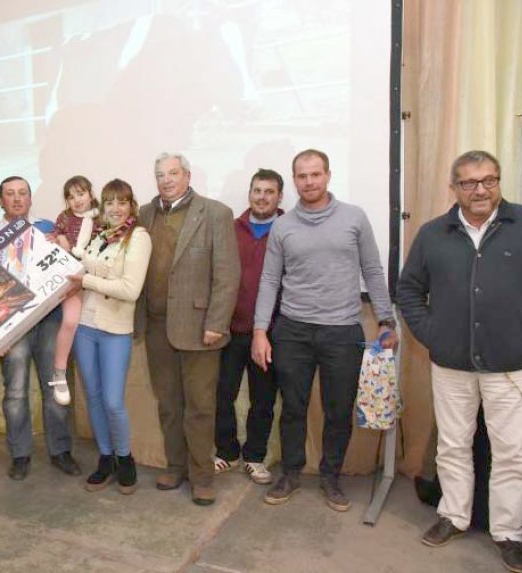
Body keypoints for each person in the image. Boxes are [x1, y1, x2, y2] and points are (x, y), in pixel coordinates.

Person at [397, 150, 522, 572]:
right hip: (451, 364)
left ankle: (508, 532)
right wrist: (433, 334)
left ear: (499, 182)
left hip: (511, 364)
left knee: (513, 453)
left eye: (489, 180)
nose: (480, 190)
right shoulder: (434, 234)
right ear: (453, 188)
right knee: (453, 445)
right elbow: (409, 291)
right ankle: (453, 515)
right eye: (469, 183)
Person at [252, 149, 396, 512]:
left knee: (337, 410)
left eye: (316, 174)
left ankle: (331, 476)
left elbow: (373, 271)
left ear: (328, 176)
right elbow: (270, 280)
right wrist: (259, 331)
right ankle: (291, 473)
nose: (309, 182)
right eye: (302, 176)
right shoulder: (283, 226)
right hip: (292, 331)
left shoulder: (354, 218)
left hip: (342, 331)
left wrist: (386, 319)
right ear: (294, 180)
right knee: (293, 409)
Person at [135, 152, 240, 506]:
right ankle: (175, 466)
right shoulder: (145, 215)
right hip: (156, 327)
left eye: (173, 173)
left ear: (188, 175)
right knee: (168, 404)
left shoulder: (215, 213)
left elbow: (227, 275)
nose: (166, 180)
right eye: (160, 174)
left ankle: (202, 476)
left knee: (199, 407)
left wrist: (216, 323)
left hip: (199, 329)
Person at [0, 176, 80, 481]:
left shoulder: (48, 229)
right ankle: (20, 454)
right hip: (12, 327)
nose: (17, 199)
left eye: (23, 193)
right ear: (1, 200)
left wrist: (60, 246)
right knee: (16, 392)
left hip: (50, 321)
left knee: (55, 386)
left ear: (31, 199)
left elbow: (71, 267)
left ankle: (60, 451)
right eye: (10, 194)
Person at [68, 179, 151, 494]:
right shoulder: (98, 234)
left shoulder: (138, 238)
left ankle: (124, 457)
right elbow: (82, 265)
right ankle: (106, 457)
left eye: (122, 202)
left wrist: (87, 279)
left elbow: (130, 290)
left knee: (113, 401)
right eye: (109, 203)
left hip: (115, 329)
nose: (115, 209)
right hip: (85, 326)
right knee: (93, 396)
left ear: (131, 206)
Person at [213, 169, 284, 485]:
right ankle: (226, 452)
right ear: (249, 194)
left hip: (269, 334)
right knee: (222, 394)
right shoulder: (231, 229)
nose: (262, 197)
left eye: (270, 192)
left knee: (263, 400)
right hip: (230, 330)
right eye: (257, 190)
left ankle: (255, 457)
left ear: (279, 196)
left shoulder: (289, 229)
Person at [48, 175, 100, 405]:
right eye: (71, 197)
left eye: (81, 193)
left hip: (96, 279)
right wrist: (58, 239)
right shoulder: (64, 218)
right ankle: (59, 372)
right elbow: (55, 237)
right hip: (71, 278)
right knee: (70, 322)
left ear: (91, 194)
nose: (77, 200)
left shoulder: (104, 218)